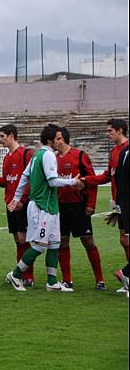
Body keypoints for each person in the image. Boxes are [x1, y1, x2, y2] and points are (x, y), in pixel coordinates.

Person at [6, 124, 83, 292]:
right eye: (57, 138)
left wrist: (17, 197)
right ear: (50, 140)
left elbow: (24, 176)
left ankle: (52, 282)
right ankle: (16, 274)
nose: (59, 142)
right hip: (42, 206)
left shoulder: (37, 155)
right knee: (40, 245)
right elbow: (52, 181)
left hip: (50, 206)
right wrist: (73, 182)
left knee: (55, 243)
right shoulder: (47, 155)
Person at [0, 124, 35, 286]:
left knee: (24, 239)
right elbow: (6, 182)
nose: (0, 139)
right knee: (18, 239)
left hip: (22, 203)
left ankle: (28, 276)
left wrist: (22, 200)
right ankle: (20, 274)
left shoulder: (26, 154)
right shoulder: (7, 157)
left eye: (2, 136)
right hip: (10, 203)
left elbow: (31, 179)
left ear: (11, 136)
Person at [53, 127, 105, 291]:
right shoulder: (52, 159)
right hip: (60, 207)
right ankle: (67, 280)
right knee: (62, 242)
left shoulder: (80, 156)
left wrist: (91, 204)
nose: (56, 141)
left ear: (65, 139)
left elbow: (92, 181)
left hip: (79, 206)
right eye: (55, 139)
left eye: (59, 138)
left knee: (88, 241)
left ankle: (100, 280)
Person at [83, 118, 129, 261]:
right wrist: (85, 180)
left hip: (127, 202)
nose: (107, 134)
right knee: (124, 240)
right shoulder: (114, 151)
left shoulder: (128, 149)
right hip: (120, 204)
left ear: (120, 130)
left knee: (126, 239)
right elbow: (108, 176)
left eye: (110, 131)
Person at [113, 144, 129, 296]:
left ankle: (126, 274)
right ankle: (126, 273)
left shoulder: (124, 151)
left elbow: (118, 180)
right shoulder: (124, 152)